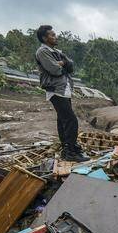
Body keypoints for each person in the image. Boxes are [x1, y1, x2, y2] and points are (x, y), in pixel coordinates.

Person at [35, 25, 88, 162]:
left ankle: (68, 148)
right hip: (55, 89)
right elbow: (54, 70)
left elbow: (70, 66)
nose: (55, 36)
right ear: (44, 38)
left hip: (64, 89)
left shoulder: (56, 51)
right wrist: (62, 64)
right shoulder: (42, 51)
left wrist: (62, 63)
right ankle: (70, 151)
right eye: (52, 35)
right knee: (71, 120)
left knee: (63, 120)